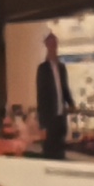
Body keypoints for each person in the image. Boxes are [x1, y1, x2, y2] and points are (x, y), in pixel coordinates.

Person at [29, 28, 73, 156]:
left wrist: (71, 104)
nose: (53, 47)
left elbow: (65, 89)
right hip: (49, 118)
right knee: (50, 151)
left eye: (55, 43)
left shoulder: (62, 68)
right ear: (47, 46)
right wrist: (42, 123)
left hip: (61, 117)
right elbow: (41, 95)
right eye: (51, 43)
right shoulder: (43, 69)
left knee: (60, 150)